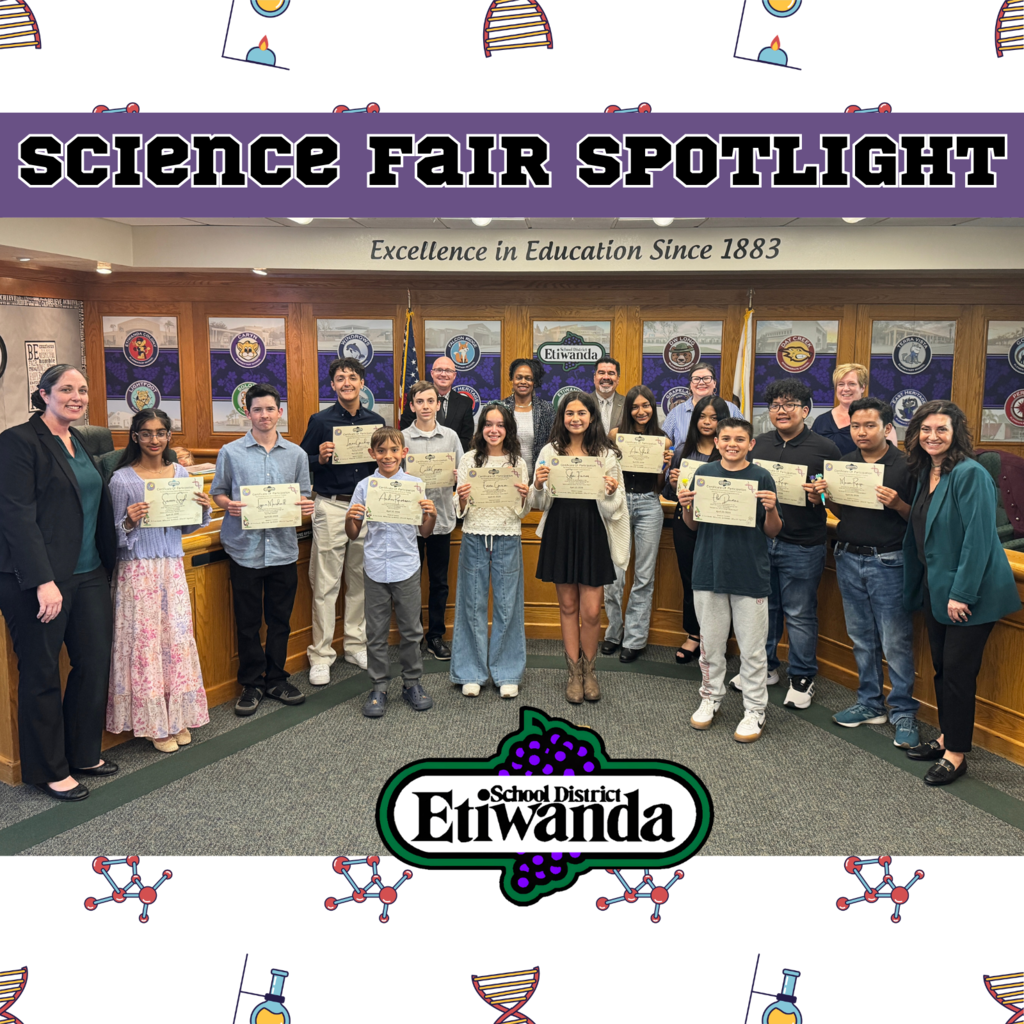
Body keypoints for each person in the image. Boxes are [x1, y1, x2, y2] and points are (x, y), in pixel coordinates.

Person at [0, 365, 118, 800]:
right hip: (37, 580)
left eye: (83, 390)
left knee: (92, 663)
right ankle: (49, 769)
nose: (77, 396)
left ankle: (82, 752)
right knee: (42, 672)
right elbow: (16, 514)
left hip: (89, 573)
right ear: (44, 394)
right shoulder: (17, 441)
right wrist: (42, 580)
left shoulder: (84, 441)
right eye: (66, 389)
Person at [901, 400, 1021, 785]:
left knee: (957, 674)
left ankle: (956, 754)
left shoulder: (970, 474)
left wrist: (962, 594)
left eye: (941, 430)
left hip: (969, 594)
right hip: (937, 588)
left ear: (956, 435)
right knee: (941, 668)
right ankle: (944, 736)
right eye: (926, 430)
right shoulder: (926, 472)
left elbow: (979, 541)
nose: (932, 436)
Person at [811, 398, 920, 748]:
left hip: (889, 561)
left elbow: (921, 520)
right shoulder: (845, 464)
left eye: (869, 425)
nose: (861, 432)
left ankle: (903, 711)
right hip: (847, 557)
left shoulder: (907, 465)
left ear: (887, 428)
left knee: (895, 641)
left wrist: (899, 504)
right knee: (861, 637)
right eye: (855, 426)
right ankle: (870, 703)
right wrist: (825, 498)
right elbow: (843, 512)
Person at [107, 409, 212, 753]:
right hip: (138, 571)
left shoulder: (180, 472)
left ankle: (176, 715)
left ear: (169, 436)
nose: (154, 440)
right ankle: (154, 724)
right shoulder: (122, 479)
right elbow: (109, 535)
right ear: (135, 436)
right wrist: (128, 521)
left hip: (171, 567)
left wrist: (202, 508)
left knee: (175, 640)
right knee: (146, 646)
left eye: (161, 433)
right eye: (147, 433)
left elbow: (183, 527)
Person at [211, 384, 315, 717]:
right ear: (248, 412)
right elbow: (219, 493)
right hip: (245, 550)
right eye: (257, 410)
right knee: (248, 622)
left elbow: (303, 496)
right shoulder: (231, 452)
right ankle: (252, 683)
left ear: (279, 412)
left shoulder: (296, 454)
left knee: (280, 620)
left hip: (283, 549)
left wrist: (306, 508)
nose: (264, 415)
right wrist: (230, 505)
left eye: (270, 409)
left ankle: (277, 679)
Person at [678, 417, 782, 742]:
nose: (732, 444)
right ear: (717, 441)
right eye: (726, 438)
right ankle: (711, 697)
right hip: (708, 571)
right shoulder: (704, 473)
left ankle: (755, 709)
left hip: (750, 573)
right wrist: (685, 508)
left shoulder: (761, 476)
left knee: (752, 650)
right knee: (710, 645)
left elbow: (772, 530)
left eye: (740, 439)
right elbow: (693, 526)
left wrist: (773, 509)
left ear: (751, 444)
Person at [742, 380, 840, 709]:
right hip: (761, 541)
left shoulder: (825, 448)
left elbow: (835, 499)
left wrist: (820, 496)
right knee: (764, 609)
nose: (781, 411)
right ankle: (767, 667)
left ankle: (801, 677)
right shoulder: (758, 445)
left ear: (806, 410)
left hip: (802, 544)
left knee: (799, 613)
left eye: (789, 405)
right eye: (774, 406)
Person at [531, 392, 627, 703]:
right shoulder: (550, 450)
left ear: (592, 417)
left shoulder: (606, 454)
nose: (575, 418)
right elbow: (540, 503)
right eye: (570, 413)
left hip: (592, 532)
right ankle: (573, 673)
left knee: (590, 611)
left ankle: (590, 671)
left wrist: (611, 491)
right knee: (568, 607)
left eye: (581, 413)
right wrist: (539, 485)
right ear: (562, 417)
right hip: (561, 529)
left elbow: (615, 509)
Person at [299, 357, 385, 681]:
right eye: (339, 378)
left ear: (362, 383)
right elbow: (301, 460)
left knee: (360, 580)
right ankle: (321, 654)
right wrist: (318, 458)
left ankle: (355, 643)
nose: (346, 382)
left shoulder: (376, 421)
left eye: (352, 377)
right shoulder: (320, 421)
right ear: (333, 385)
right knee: (325, 583)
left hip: (364, 507)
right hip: (331, 507)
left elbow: (384, 464)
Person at [346, 427, 437, 717]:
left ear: (404, 453)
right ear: (372, 453)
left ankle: (412, 682)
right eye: (381, 451)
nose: (388, 456)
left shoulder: (415, 484)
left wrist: (430, 515)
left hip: (406, 565)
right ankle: (378, 686)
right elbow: (353, 533)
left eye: (394, 450)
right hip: (374, 567)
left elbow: (424, 533)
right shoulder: (364, 486)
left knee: (411, 630)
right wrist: (351, 519)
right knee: (375, 632)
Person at [451, 403, 531, 697]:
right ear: (480, 428)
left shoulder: (518, 463)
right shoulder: (469, 459)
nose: (494, 430)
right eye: (488, 424)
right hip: (474, 536)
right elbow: (460, 511)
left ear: (508, 429)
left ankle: (507, 671)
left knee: (508, 606)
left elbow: (522, 513)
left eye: (500, 425)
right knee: (472, 605)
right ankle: (471, 672)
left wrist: (525, 496)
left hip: (508, 537)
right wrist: (460, 498)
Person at [602, 385, 673, 661]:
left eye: (646, 406)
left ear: (652, 408)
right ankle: (613, 632)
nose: (640, 411)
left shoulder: (662, 440)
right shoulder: (615, 436)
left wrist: (663, 469)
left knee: (644, 576)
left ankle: (635, 638)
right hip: (619, 503)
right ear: (628, 409)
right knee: (614, 575)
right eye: (635, 406)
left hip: (648, 504)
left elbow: (660, 487)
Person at [403, 380, 464, 660]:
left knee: (439, 581)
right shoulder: (401, 438)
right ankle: (413, 635)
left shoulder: (451, 437)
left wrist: (456, 478)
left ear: (438, 405)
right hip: (409, 523)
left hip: (441, 520)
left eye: (430, 401)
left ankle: (435, 636)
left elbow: (463, 474)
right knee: (410, 581)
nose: (425, 407)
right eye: (420, 402)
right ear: (412, 405)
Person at [664, 395, 727, 664]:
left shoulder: (729, 449)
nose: (707, 422)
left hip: (720, 525)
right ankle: (694, 634)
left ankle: (718, 637)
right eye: (702, 416)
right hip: (685, 523)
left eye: (714, 417)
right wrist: (672, 479)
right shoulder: (682, 450)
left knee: (718, 582)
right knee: (690, 580)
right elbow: (669, 494)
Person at [813, 363, 898, 454]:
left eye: (852, 384)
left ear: (862, 387)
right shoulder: (821, 421)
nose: (845, 389)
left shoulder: (879, 418)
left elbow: (891, 455)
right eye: (841, 384)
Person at [399, 355, 474, 454]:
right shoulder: (415, 398)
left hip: (449, 461)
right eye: (439, 370)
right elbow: (406, 428)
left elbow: (466, 439)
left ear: (454, 375)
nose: (443, 374)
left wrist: (443, 460)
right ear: (432, 373)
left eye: (448, 371)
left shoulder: (465, 403)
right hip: (418, 457)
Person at [661, 361, 741, 447]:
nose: (701, 382)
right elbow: (662, 443)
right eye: (696, 379)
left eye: (706, 378)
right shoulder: (676, 412)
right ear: (691, 385)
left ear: (714, 383)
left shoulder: (731, 409)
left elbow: (742, 438)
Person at [501, 357, 555, 481]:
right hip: (507, 477)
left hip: (540, 478)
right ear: (512, 379)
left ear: (534, 382)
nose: (523, 382)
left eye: (528, 378)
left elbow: (554, 443)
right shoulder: (501, 408)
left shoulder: (546, 409)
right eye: (519, 377)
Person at [588, 357, 624, 435]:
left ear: (618, 379)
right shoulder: (584, 402)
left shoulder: (627, 404)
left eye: (611, 373)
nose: (606, 377)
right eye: (601, 373)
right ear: (594, 378)